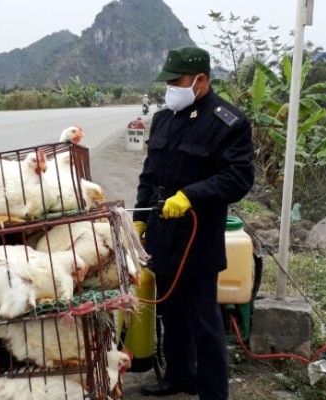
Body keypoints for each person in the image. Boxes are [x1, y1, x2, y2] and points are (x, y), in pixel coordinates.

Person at [132, 46, 254, 399]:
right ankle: (179, 376)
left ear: (200, 80)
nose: (170, 88)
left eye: (177, 81)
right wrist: (139, 220)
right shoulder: (163, 119)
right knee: (171, 312)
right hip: (163, 233)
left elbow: (238, 178)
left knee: (204, 319)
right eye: (168, 82)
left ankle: (213, 392)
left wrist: (190, 196)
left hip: (198, 237)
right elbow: (149, 175)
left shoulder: (228, 123)